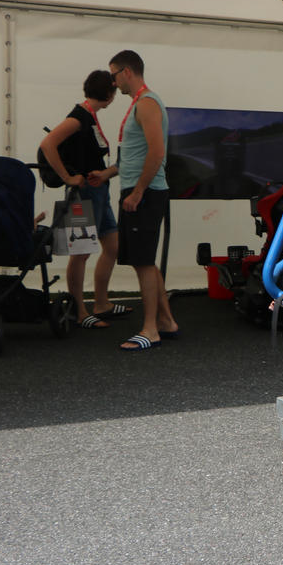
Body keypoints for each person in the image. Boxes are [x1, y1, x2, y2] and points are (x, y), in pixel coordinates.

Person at [38, 70, 127, 329]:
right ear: (109, 94)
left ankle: (102, 303)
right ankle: (79, 311)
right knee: (81, 253)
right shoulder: (78, 117)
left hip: (98, 191)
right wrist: (67, 177)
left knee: (113, 247)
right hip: (82, 193)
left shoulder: (89, 115)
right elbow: (48, 144)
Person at [109, 50, 180, 351]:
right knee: (145, 261)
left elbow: (156, 152)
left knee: (143, 263)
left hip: (145, 193)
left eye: (113, 75)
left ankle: (150, 329)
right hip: (139, 190)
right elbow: (135, 155)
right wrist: (108, 173)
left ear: (127, 72)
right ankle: (166, 321)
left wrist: (137, 192)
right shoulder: (140, 104)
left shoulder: (148, 103)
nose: (112, 82)